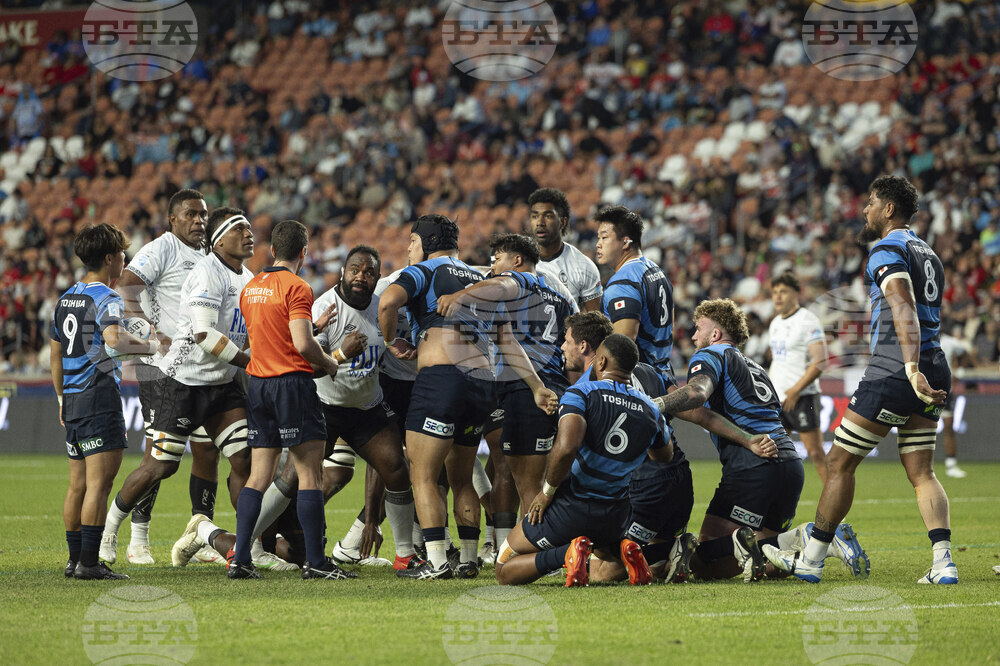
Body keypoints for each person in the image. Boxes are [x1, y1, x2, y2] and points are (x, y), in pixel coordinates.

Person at [764, 175, 954, 585]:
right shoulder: (929, 254)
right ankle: (943, 562)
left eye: (871, 202)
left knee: (838, 462)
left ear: (889, 209)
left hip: (896, 368)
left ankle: (813, 557)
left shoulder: (886, 248)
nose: (865, 210)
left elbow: (903, 306)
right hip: (936, 363)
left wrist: (910, 368)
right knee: (922, 471)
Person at [379, 214, 557, 580]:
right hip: (481, 385)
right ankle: (469, 559)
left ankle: (436, 563)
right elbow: (506, 340)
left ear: (426, 243)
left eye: (412, 241)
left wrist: (390, 340)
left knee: (423, 475)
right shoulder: (480, 279)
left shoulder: (424, 271)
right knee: (462, 476)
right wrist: (537, 386)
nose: (409, 249)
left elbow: (387, 303)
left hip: (441, 379)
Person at [560, 312, 774, 584]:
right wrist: (746, 438)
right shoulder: (650, 372)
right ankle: (675, 551)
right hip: (679, 479)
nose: (563, 347)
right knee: (653, 563)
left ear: (587, 348)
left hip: (645, 486)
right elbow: (698, 413)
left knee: (603, 571)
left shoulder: (587, 387)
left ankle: (672, 549)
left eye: (567, 341)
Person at [101, 208, 261, 566]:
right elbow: (204, 334)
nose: (249, 234)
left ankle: (246, 545)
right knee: (160, 465)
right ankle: (110, 527)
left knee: (243, 457)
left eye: (250, 228)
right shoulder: (203, 270)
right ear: (219, 240)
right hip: (180, 380)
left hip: (221, 383)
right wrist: (251, 364)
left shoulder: (248, 278)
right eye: (240, 229)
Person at [653, 299, 820, 582]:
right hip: (789, 462)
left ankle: (804, 536)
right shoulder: (756, 367)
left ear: (715, 333)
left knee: (704, 560)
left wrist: (654, 404)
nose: (693, 336)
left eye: (699, 329)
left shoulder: (710, 354)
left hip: (752, 463)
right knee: (766, 561)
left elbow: (696, 393)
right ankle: (807, 543)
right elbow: (705, 415)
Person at [494, 334, 672, 587]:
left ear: (601, 362)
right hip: (616, 516)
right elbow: (664, 455)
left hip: (571, 509)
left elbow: (567, 448)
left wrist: (546, 493)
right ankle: (625, 550)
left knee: (504, 566)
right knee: (604, 549)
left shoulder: (582, 392)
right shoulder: (650, 408)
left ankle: (565, 555)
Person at [231, 219, 348, 580]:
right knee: (310, 473)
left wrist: (315, 325)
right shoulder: (298, 287)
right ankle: (316, 563)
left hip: (259, 385)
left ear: (271, 250)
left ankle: (240, 559)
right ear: (304, 251)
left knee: (259, 476)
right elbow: (301, 344)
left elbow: (271, 333)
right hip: (291, 386)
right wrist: (329, 362)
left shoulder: (251, 287)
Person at [438, 233, 577, 515]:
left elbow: (501, 290)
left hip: (526, 389)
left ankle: (538, 543)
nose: (494, 266)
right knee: (543, 484)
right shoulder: (559, 297)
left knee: (528, 488)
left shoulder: (519, 281)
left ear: (517, 261)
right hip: (556, 386)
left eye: (498, 259)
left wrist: (457, 296)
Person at [112, 188, 215, 565]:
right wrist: (150, 332)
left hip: (201, 370)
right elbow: (126, 284)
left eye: (203, 214)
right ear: (173, 219)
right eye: (190, 214)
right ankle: (138, 537)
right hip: (161, 369)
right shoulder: (162, 248)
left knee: (207, 450)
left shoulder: (208, 255)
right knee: (158, 455)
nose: (199, 220)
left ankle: (200, 536)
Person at [52, 223, 157, 579]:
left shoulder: (66, 298)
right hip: (98, 397)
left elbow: (55, 354)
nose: (125, 260)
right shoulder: (107, 298)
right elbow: (114, 340)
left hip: (73, 399)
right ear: (110, 258)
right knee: (99, 486)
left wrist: (61, 397)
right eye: (123, 254)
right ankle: (89, 563)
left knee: (77, 485)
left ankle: (74, 560)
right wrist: (150, 346)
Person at [312, 245, 420, 571]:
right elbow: (310, 366)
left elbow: (386, 343)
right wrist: (341, 354)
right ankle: (255, 545)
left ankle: (405, 554)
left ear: (377, 278)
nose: (361, 276)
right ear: (343, 272)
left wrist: (396, 346)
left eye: (369, 272)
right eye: (355, 270)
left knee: (396, 468)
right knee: (297, 479)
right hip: (324, 405)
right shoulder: (325, 307)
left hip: (366, 407)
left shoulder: (382, 307)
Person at [595, 205, 674, 383]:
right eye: (598, 237)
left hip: (638, 383)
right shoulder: (656, 270)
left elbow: (623, 347)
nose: (598, 244)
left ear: (625, 242)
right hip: (664, 374)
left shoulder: (623, 282)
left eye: (604, 237)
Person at [767, 271, 830, 485]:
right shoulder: (775, 323)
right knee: (775, 454)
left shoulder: (807, 321)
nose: (778, 296)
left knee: (816, 452)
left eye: (783, 291)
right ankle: (777, 499)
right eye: (775, 292)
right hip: (778, 398)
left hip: (802, 396)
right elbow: (779, 362)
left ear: (797, 293)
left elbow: (820, 361)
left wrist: (795, 390)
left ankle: (834, 500)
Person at [528, 188, 603, 312]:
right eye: (535, 216)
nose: (540, 222)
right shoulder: (516, 261)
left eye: (548, 216)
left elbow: (596, 319)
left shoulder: (583, 266)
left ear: (563, 222)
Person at [938, 329, 971, 478]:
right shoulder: (920, 339)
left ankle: (951, 465)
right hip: (924, 391)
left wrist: (959, 373)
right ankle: (919, 466)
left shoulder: (951, 342)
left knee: (948, 427)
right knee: (920, 427)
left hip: (945, 391)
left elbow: (965, 353)